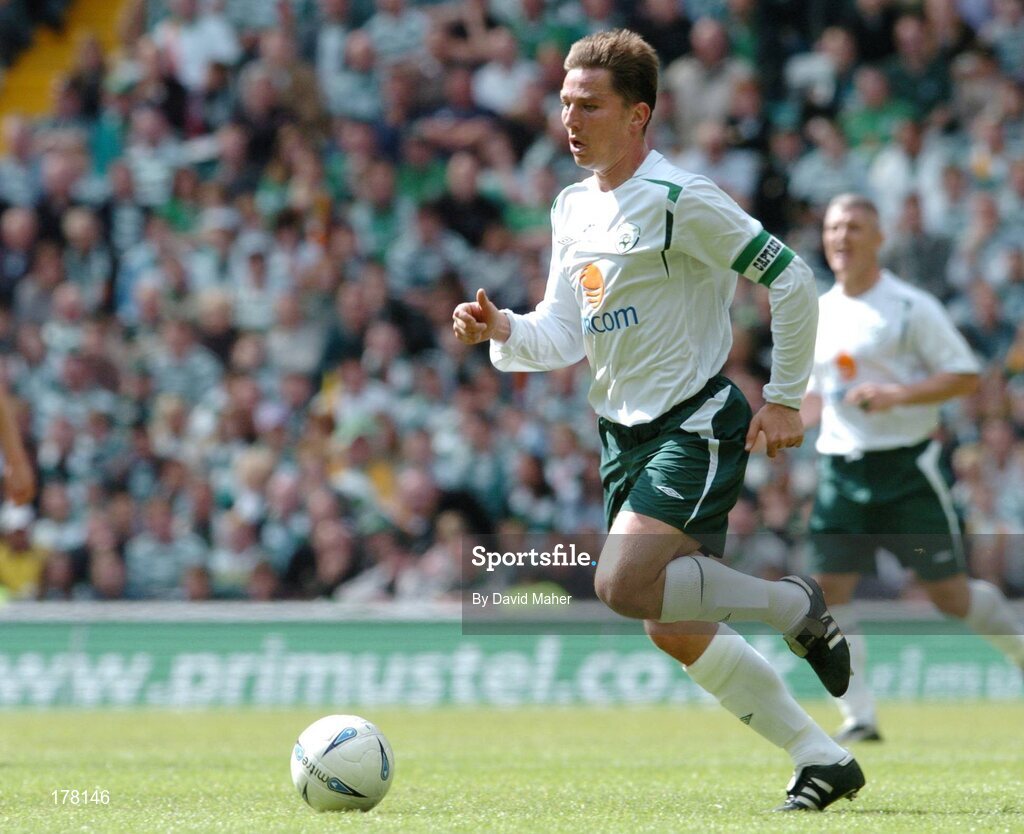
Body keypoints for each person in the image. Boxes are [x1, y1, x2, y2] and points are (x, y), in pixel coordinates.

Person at [453, 29, 864, 812]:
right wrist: (504, 328)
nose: (570, 120)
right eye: (566, 103)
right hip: (622, 438)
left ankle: (791, 605)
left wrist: (784, 395)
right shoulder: (571, 206)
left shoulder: (683, 200)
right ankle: (822, 756)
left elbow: (792, 277)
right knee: (670, 624)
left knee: (621, 583)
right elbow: (565, 333)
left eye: (590, 106)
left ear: (638, 116)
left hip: (697, 421)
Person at [804, 193, 1024, 743]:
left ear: (879, 239)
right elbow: (813, 396)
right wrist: (778, 426)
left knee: (951, 596)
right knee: (830, 594)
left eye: (855, 227)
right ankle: (860, 717)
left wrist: (899, 395)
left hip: (905, 474)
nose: (842, 237)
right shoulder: (817, 311)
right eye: (834, 227)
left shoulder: (910, 306)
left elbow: (965, 376)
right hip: (840, 473)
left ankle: (1018, 645)